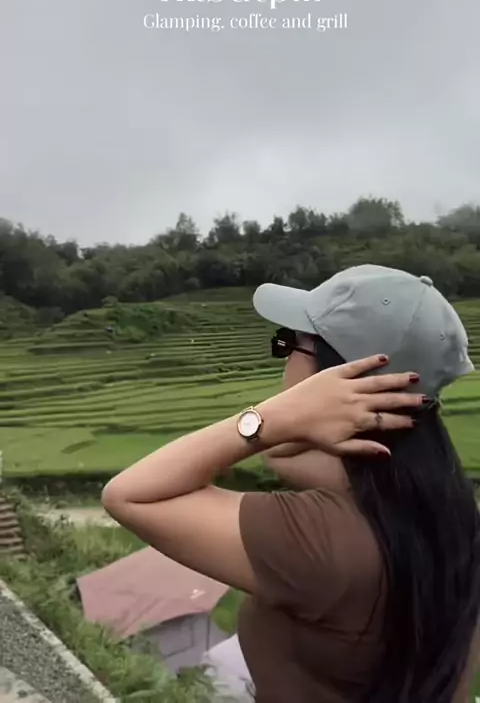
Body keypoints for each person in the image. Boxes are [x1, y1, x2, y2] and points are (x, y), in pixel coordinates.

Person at [101, 264, 480, 703]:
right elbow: (284, 455)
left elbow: (129, 495)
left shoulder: (315, 538)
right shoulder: (448, 513)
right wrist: (303, 416)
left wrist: (271, 417)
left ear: (334, 373)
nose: (283, 356)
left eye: (288, 343)